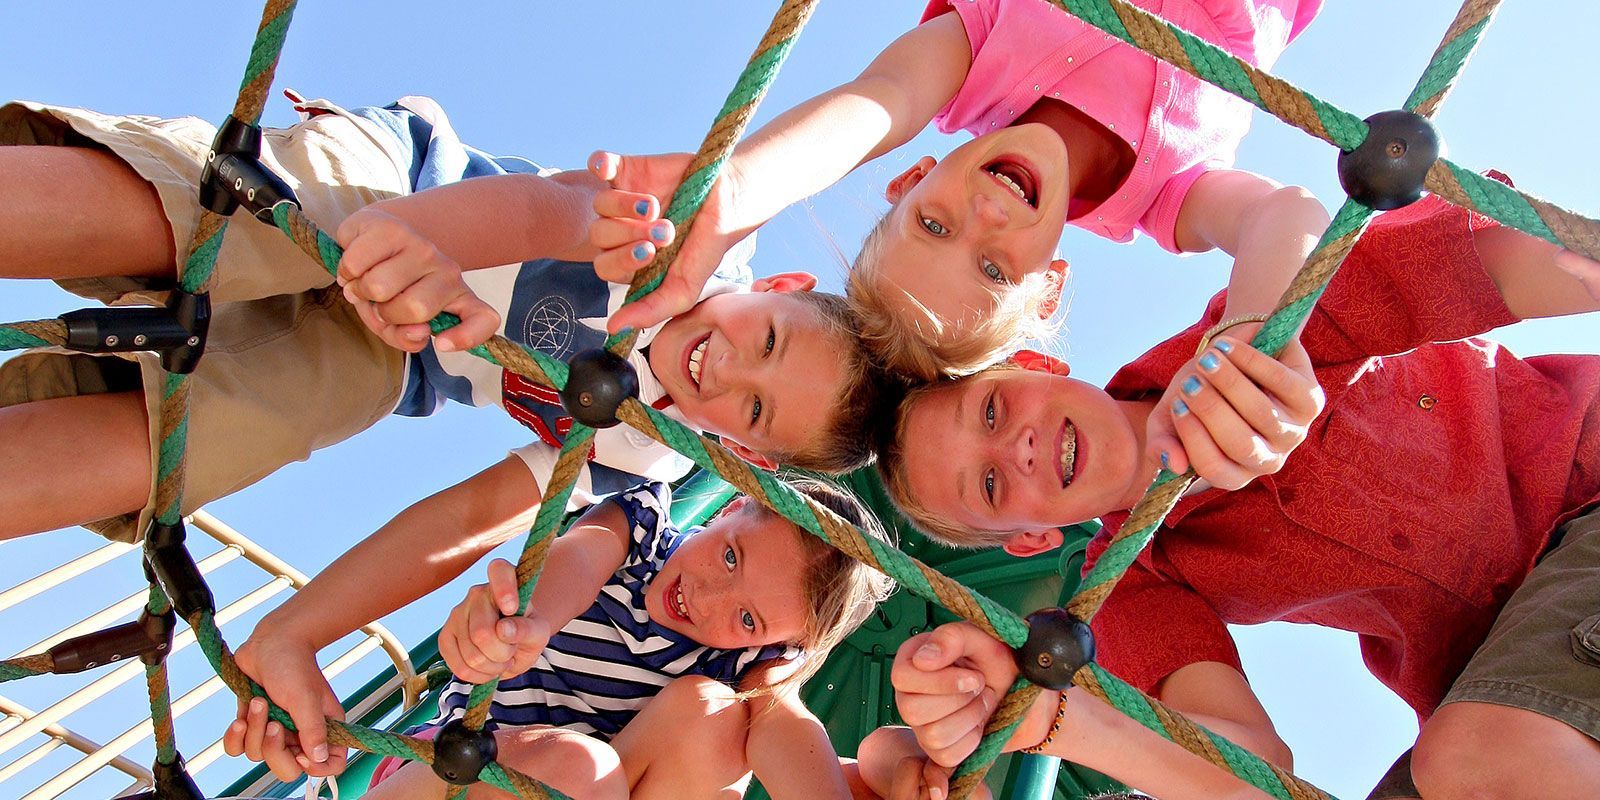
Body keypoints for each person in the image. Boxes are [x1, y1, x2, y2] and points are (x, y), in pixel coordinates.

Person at [873, 182, 1600, 797]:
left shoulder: (1245, 328)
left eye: (995, 411)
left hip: (1583, 493)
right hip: (1496, 678)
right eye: (993, 484)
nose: (1018, 446)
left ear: (1038, 366)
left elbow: (1502, 265)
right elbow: (1249, 773)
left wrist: (1256, 332)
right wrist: (1050, 720)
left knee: (1477, 758)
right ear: (1032, 538)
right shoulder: (1129, 585)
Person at [0, 95, 894, 543]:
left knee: (224, 432)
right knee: (245, 218)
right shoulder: (683, 242)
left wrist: (306, 635)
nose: (727, 369)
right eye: (769, 339)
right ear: (776, 281)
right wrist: (416, 238)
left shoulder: (643, 451)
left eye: (753, 408)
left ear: (743, 452)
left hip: (398, 352)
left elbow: (476, 515)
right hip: (415, 185)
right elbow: (561, 209)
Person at [587, 0, 1328, 395]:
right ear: (1047, 292)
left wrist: (745, 185)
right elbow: (1284, 213)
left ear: (912, 179)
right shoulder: (1166, 195)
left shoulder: (975, 58)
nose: (987, 218)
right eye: (996, 271)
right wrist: (1254, 332)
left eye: (933, 224)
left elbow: (882, 100)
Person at [225, 479, 896, 800]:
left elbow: (785, 718)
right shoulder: (641, 532)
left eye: (749, 620)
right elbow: (578, 556)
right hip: (457, 771)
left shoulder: (734, 666)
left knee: (717, 717)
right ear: (725, 512)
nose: (711, 599)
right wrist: (533, 619)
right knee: (581, 769)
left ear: (777, 644)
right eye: (729, 556)